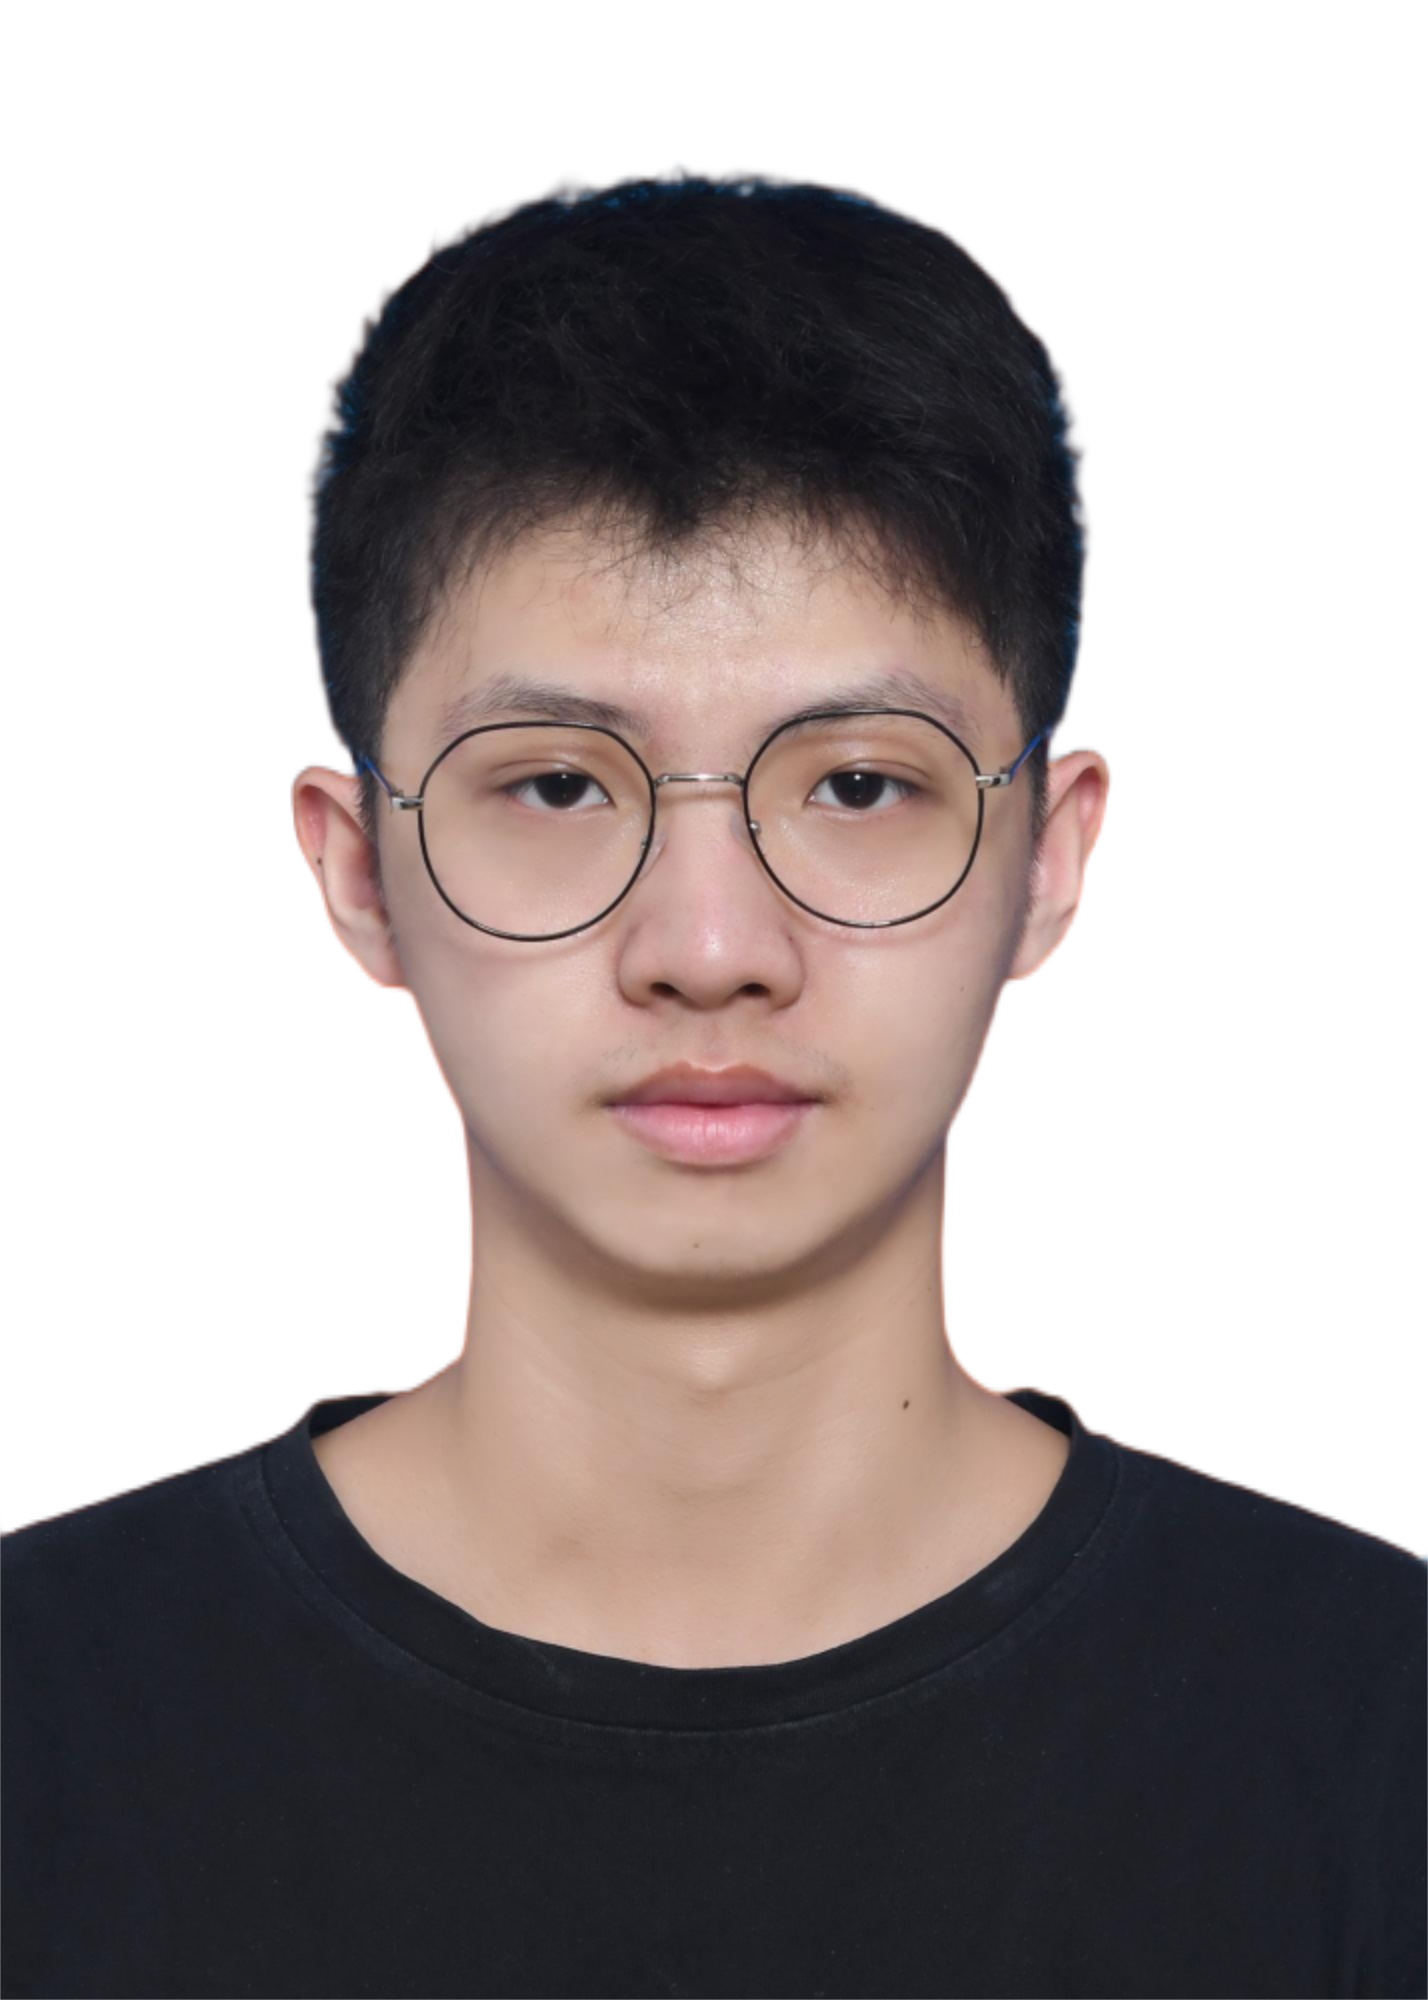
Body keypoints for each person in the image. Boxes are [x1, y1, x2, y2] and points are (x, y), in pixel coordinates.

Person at [2, 172, 1424, 1998]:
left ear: (1046, 861)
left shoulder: (1375, 1744)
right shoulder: (46, 1736)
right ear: (358, 870)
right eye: (557, 785)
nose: (708, 946)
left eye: (856, 785)